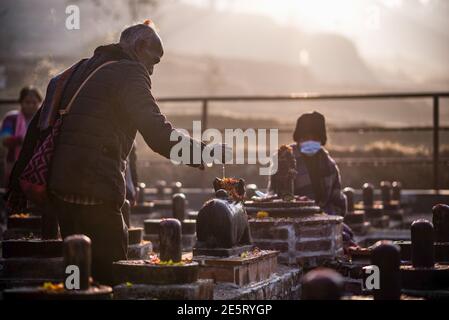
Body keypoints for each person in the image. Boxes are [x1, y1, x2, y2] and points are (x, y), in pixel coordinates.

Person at [7, 20, 213, 285]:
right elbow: (157, 133)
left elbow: (38, 127)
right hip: (97, 187)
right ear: (138, 47)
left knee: (78, 268)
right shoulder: (130, 72)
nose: (152, 69)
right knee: (114, 274)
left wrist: (15, 182)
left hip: (60, 188)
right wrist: (203, 154)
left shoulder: (78, 69)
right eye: (154, 61)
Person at [268, 111, 355, 244]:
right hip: (293, 222)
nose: (310, 141)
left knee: (346, 237)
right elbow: (276, 196)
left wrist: (324, 217)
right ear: (298, 138)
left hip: (325, 219)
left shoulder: (328, 164)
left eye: (315, 137)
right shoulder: (284, 158)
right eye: (305, 137)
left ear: (321, 139)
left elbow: (337, 200)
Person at [0, 86, 42, 185]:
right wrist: (24, 140)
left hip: (37, 166)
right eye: (27, 102)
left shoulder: (43, 120)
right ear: (21, 102)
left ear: (39, 103)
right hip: (13, 165)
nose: (31, 105)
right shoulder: (11, 118)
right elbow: (4, 139)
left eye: (34, 103)